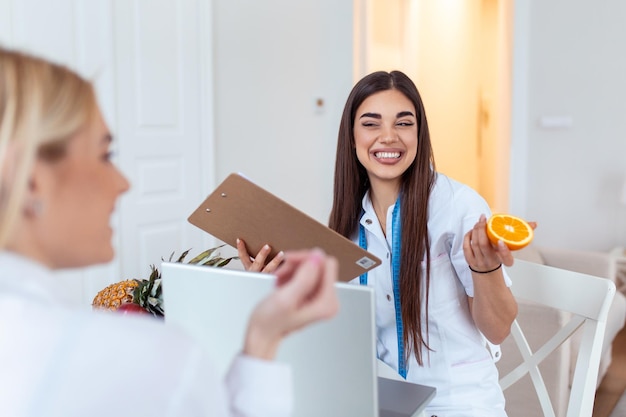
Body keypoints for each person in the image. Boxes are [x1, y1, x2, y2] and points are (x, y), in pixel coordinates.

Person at [0, 47, 338, 417]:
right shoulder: (146, 360)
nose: (123, 183)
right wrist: (264, 342)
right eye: (105, 155)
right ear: (31, 180)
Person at [328, 70, 522, 416]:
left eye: (403, 123)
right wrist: (274, 282)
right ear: (351, 136)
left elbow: (499, 328)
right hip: (380, 399)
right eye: (371, 124)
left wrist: (486, 267)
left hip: (456, 403)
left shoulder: (459, 206)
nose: (388, 137)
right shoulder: (347, 220)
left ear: (420, 133)